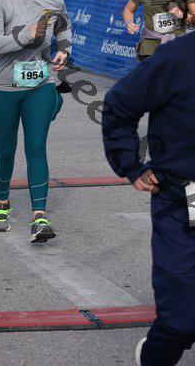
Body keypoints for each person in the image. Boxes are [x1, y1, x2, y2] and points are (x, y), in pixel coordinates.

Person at [102, 31, 195, 366]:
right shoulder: (178, 57)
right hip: (182, 199)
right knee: (181, 318)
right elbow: (119, 104)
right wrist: (130, 164)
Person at [0, 0, 71, 243]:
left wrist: (64, 51)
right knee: (6, 150)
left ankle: (39, 216)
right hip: (2, 86)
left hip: (39, 84)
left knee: (36, 147)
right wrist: (25, 35)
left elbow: (64, 27)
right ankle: (2, 202)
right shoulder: (0, 0)